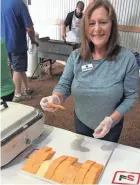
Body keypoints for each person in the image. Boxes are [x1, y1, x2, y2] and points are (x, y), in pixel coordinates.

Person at [40, 0, 139, 143]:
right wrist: (55, 98)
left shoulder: (126, 59)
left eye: (103, 22)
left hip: (110, 126)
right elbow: (64, 85)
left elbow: (131, 96)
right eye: (92, 23)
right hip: (81, 121)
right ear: (86, 28)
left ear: (112, 24)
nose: (97, 29)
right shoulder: (76, 56)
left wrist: (112, 119)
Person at [1, 0, 38, 102]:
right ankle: (17, 95)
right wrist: (34, 40)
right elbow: (29, 28)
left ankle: (27, 88)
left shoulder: (2, 2)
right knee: (17, 69)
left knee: (18, 67)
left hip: (3, 43)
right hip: (16, 43)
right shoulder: (19, 4)